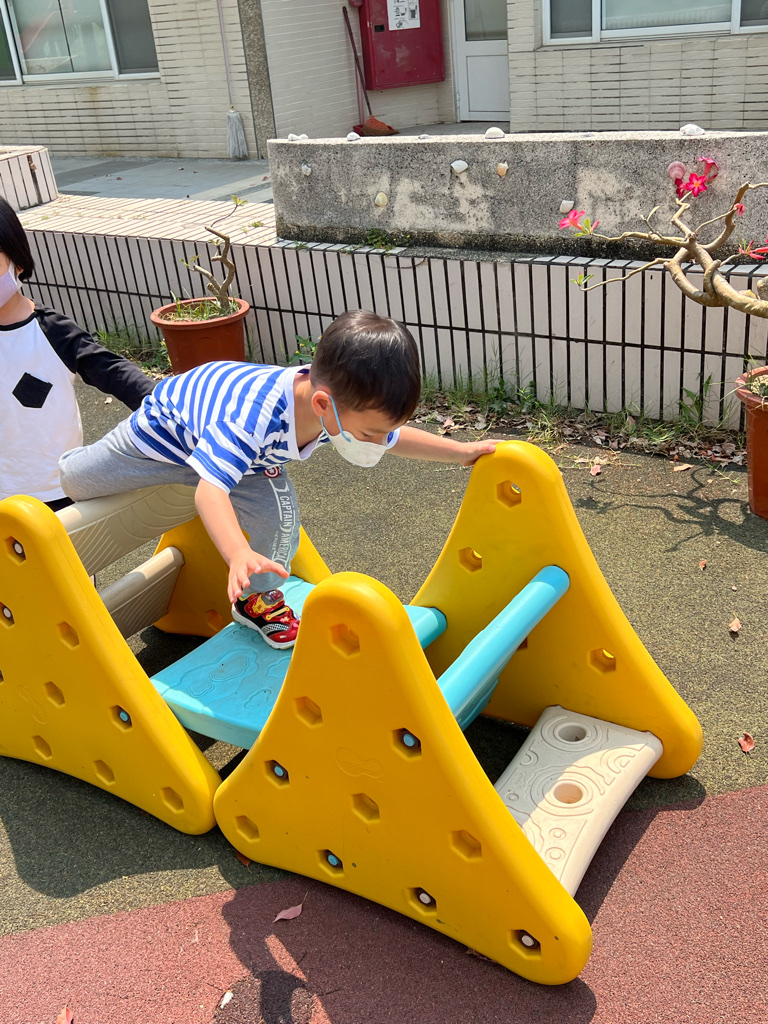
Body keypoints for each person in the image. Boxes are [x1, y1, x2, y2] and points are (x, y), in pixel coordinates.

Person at [59, 310, 496, 648]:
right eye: (369, 435)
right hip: (163, 434)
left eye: (381, 432)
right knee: (77, 482)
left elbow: (396, 438)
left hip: (248, 460)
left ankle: (256, 601)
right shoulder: (253, 420)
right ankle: (67, 464)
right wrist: (237, 553)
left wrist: (461, 452)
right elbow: (210, 492)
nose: (377, 442)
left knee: (281, 520)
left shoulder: (340, 407)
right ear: (322, 404)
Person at [0, 197, 155, 511]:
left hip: (56, 490)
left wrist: (171, 406)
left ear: (17, 261)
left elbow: (114, 373)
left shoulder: (51, 332)